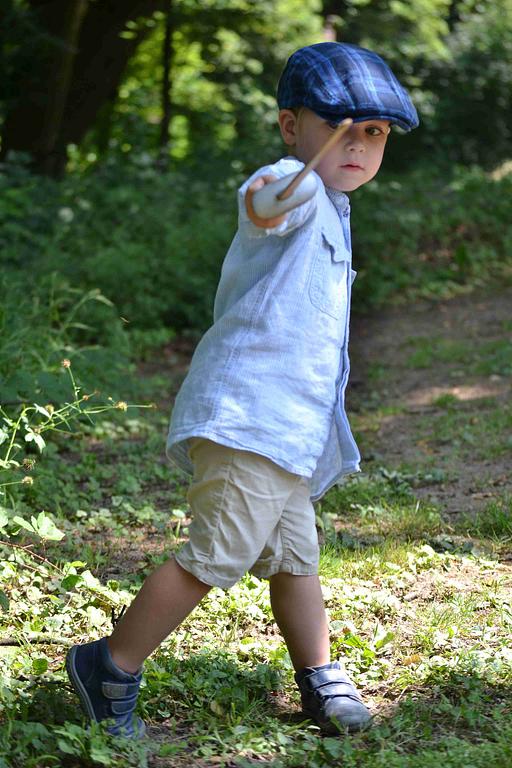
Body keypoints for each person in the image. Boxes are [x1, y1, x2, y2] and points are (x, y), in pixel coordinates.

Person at [65, 42, 418, 739]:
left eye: (374, 132)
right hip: (249, 418)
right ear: (292, 127)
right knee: (215, 555)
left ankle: (319, 673)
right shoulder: (295, 186)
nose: (357, 144)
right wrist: (286, 186)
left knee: (295, 558)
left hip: (288, 427)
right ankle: (110, 665)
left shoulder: (337, 208)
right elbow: (265, 203)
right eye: (339, 127)